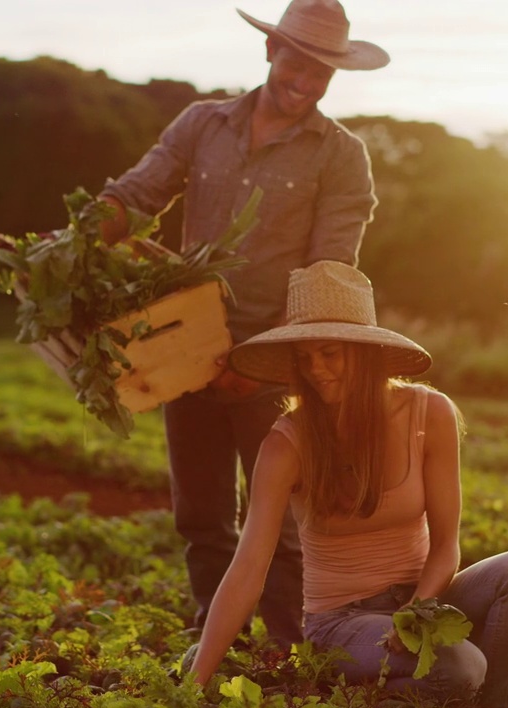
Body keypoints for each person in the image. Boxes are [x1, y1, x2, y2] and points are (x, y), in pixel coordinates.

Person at [98, 0, 389, 647]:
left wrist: (258, 360)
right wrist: (79, 237)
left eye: (322, 74)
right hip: (187, 346)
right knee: (200, 514)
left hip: (274, 361)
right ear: (269, 52)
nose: (306, 83)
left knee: (280, 520)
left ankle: (291, 649)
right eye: (297, 64)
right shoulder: (204, 125)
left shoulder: (341, 157)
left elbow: (326, 272)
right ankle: (216, 636)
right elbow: (138, 194)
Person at [187, 261, 508, 708]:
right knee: (459, 665)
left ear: (363, 352)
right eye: (305, 357)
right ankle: (403, 693)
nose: (316, 369)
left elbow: (445, 546)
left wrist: (418, 612)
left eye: (330, 353)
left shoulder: (429, 413)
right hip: (342, 622)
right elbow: (247, 571)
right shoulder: (287, 444)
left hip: (425, 596)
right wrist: (194, 683)